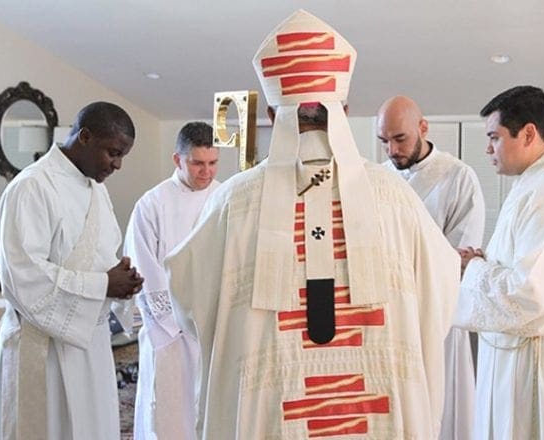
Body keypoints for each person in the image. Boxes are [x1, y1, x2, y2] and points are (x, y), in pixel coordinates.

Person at [166, 9, 459, 439]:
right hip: (380, 408)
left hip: (270, 412)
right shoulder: (394, 195)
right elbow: (441, 291)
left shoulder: (236, 199)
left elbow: (189, 297)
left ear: (270, 110)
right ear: (344, 108)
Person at [455, 85, 544, 439]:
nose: (488, 148)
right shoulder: (536, 182)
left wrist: (473, 268)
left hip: (538, 359)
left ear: (529, 133)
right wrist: (486, 260)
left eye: (495, 137)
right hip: (521, 349)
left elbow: (531, 291)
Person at [0, 102, 144, 440]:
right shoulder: (31, 187)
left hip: (89, 341)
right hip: (42, 347)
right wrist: (104, 283)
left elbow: (94, 254)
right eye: (113, 153)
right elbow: (23, 276)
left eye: (122, 156)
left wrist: (119, 276)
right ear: (85, 137)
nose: (117, 165)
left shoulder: (95, 188)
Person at [377, 95, 485, 440]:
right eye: (384, 141)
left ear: (423, 128)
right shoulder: (378, 179)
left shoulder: (458, 178)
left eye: (400, 138)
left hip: (436, 311)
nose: (392, 150)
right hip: (388, 312)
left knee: (442, 404)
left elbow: (459, 257)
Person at [124, 121, 219, 439]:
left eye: (212, 163)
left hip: (214, 327)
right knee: (168, 412)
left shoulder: (226, 198)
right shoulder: (151, 205)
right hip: (169, 331)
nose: (206, 172)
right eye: (197, 163)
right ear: (177, 160)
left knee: (211, 412)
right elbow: (143, 269)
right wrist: (176, 320)